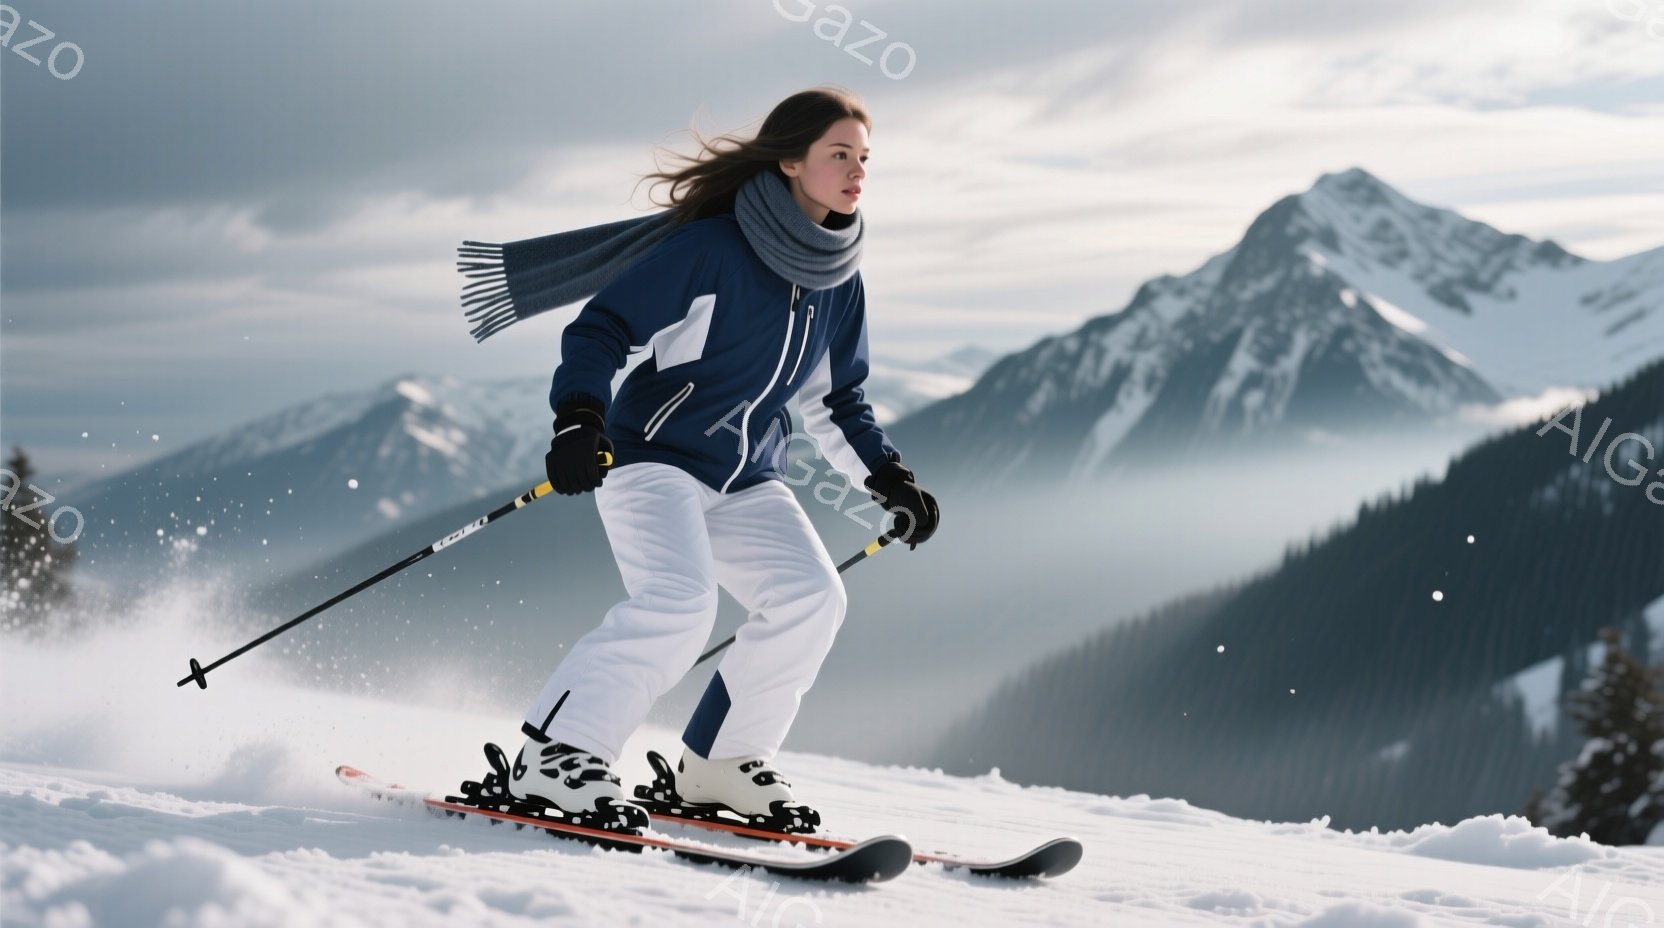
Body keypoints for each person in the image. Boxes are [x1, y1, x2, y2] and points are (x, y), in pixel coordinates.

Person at [474, 88, 940, 831]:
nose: (857, 171)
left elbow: (835, 400)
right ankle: (558, 755)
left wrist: (888, 480)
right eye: (839, 154)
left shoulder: (837, 279)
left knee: (812, 598)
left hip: (748, 476)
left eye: (863, 157)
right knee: (680, 603)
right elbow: (604, 327)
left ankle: (720, 762)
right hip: (651, 458)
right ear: (791, 161)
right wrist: (579, 420)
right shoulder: (713, 249)